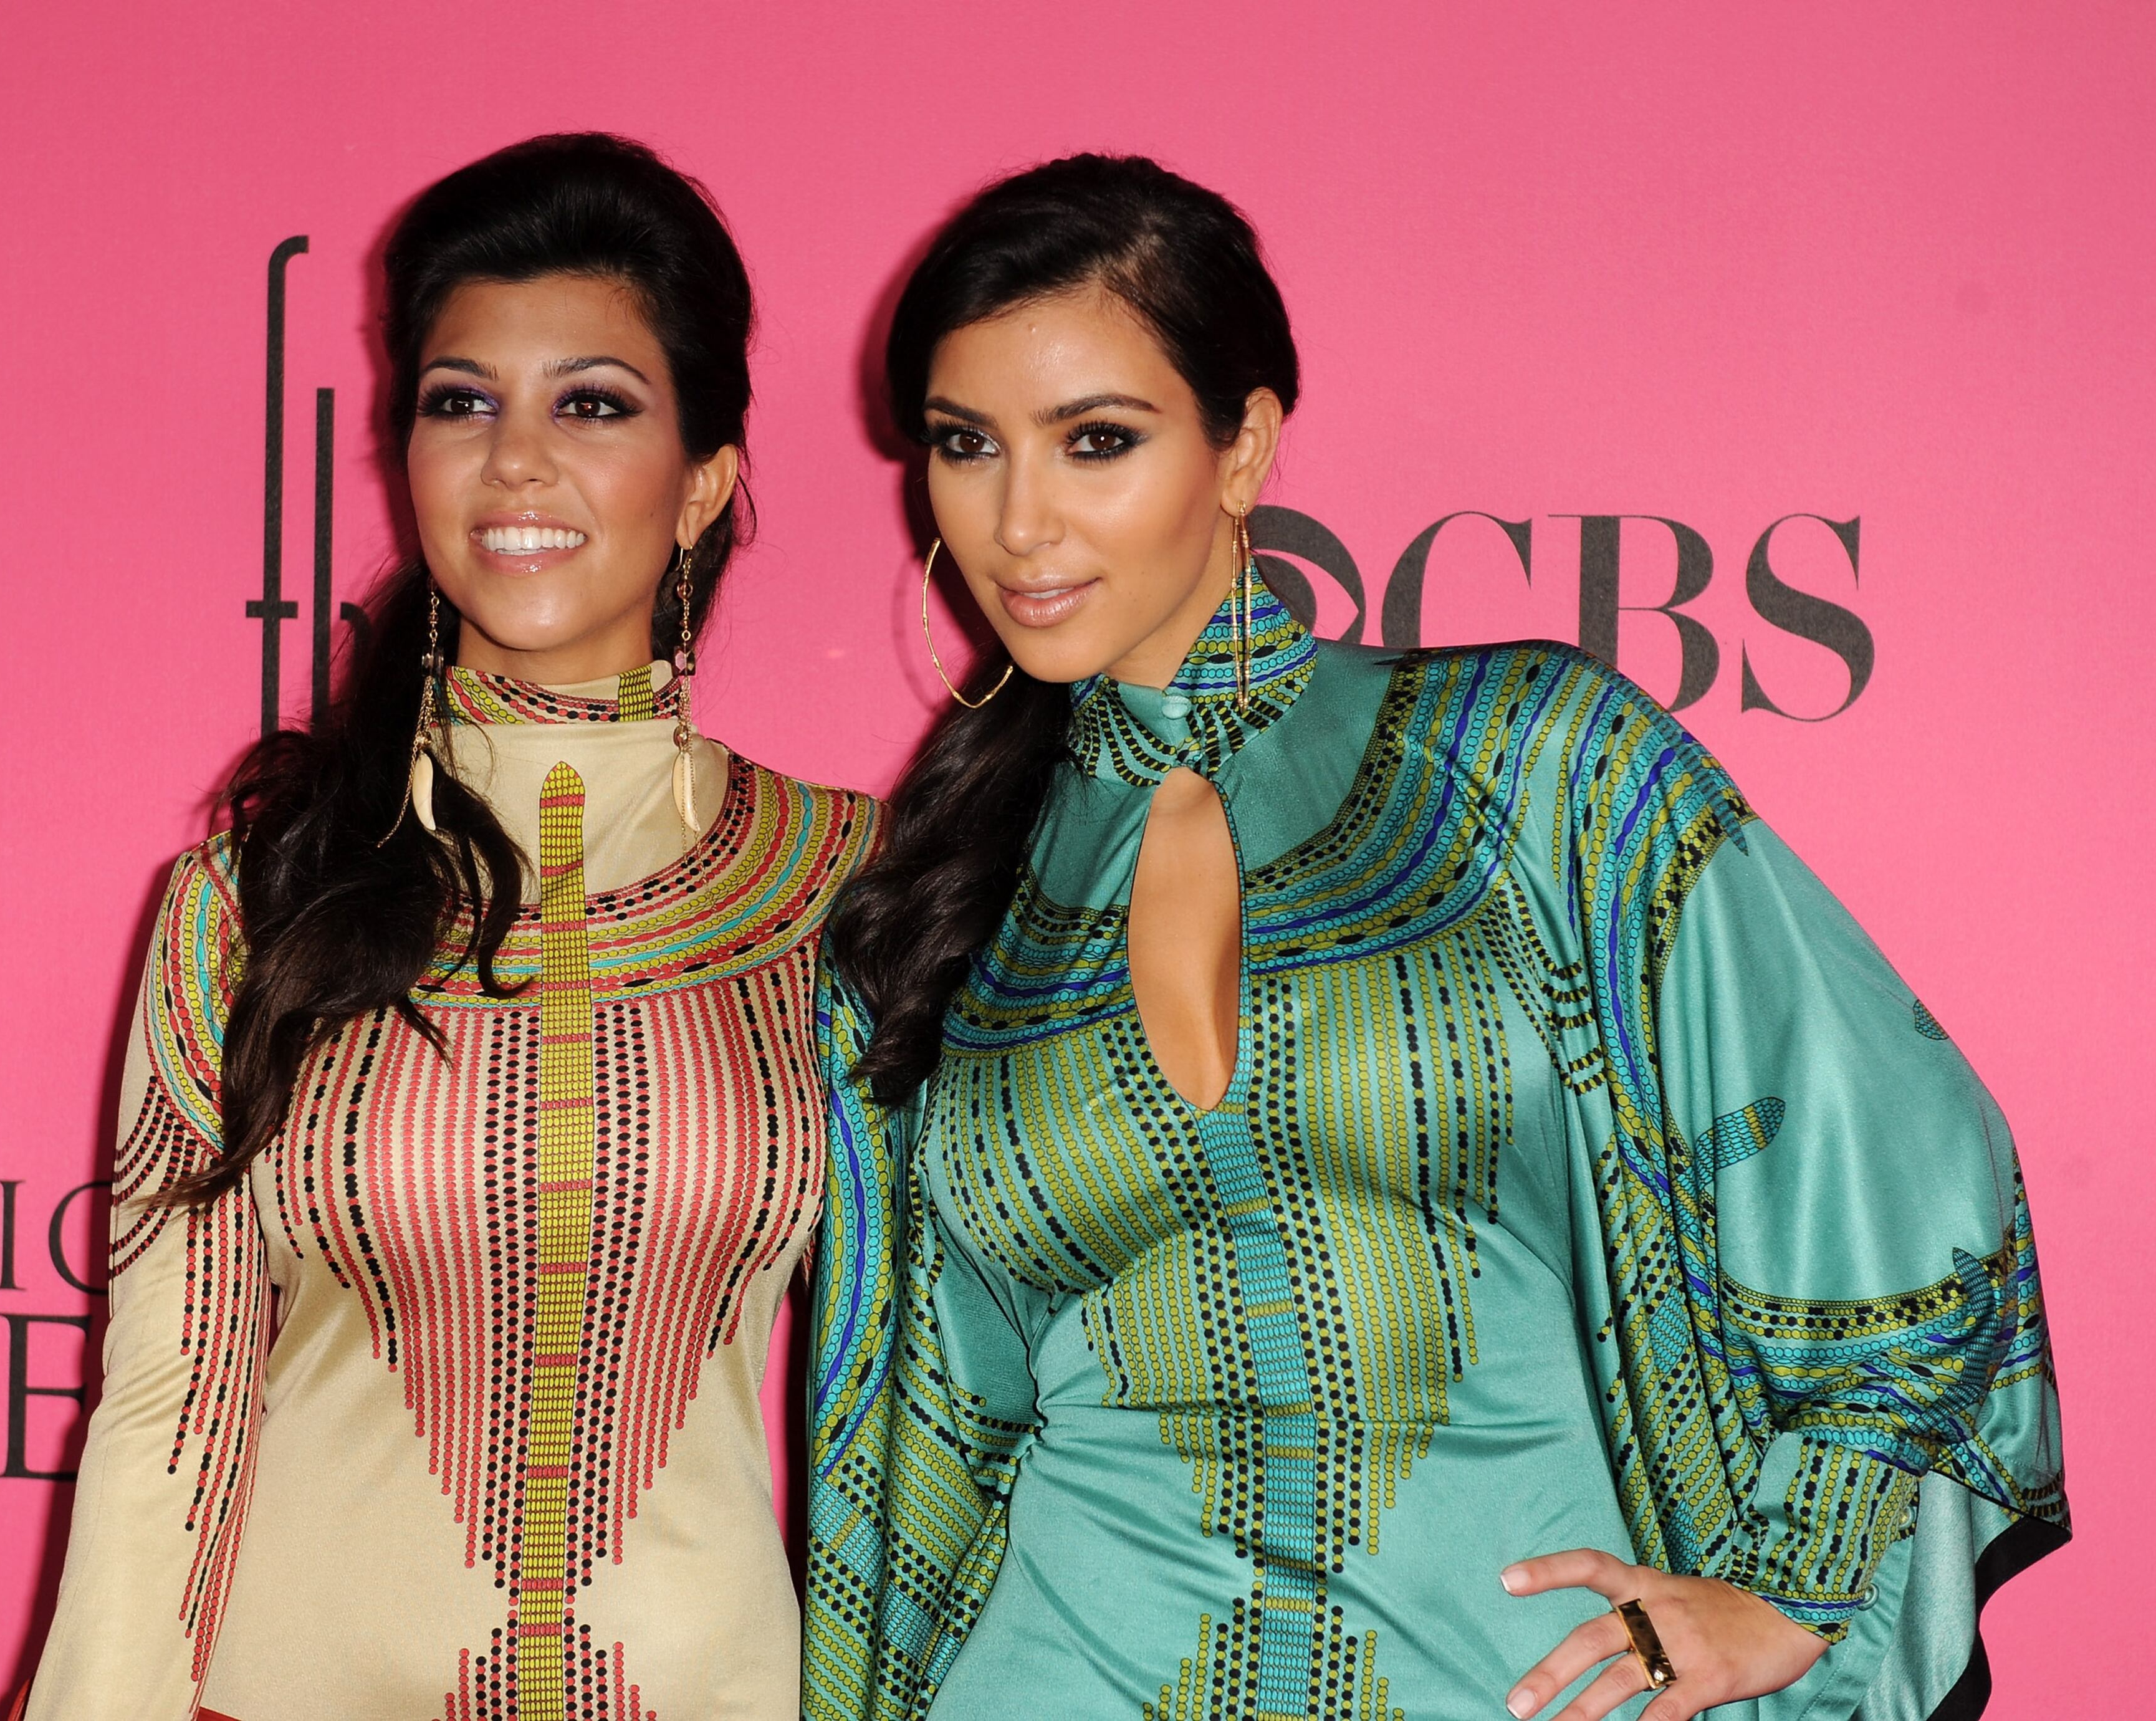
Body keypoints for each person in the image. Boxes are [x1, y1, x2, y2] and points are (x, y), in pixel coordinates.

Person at [803, 154, 2064, 1721]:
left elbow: (1902, 1158)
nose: (1018, 519)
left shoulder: (1532, 757)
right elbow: (925, 1440)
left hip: (1500, 1678)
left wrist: (1805, 1574)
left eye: (1097, 442)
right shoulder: (940, 897)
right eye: (965, 446)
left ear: (1244, 442)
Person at [26, 133, 876, 1721]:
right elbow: (170, 1404)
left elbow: (968, 1371)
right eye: (462, 400)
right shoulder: (257, 897)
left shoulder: (849, 885)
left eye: (594, 403)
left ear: (704, 480)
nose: (516, 464)